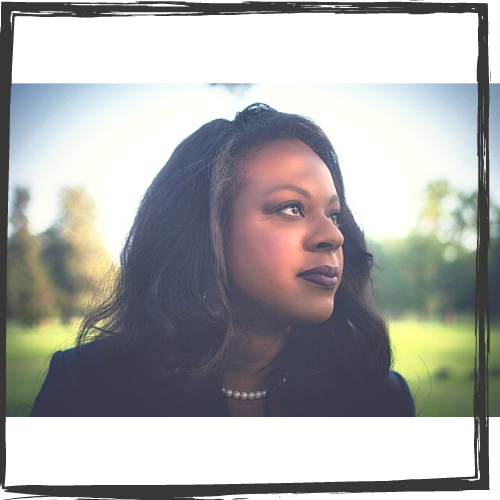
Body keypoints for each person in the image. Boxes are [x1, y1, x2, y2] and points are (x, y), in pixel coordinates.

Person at [31, 103, 414, 417]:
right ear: (206, 230)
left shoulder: (379, 400)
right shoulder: (88, 391)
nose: (334, 235)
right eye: (292, 207)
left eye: (333, 214)